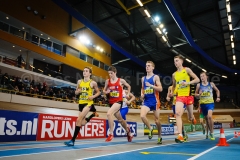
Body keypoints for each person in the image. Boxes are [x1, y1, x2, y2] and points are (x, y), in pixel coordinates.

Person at [64, 67, 100, 146]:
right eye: (83, 71)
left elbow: (98, 92)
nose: (84, 72)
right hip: (81, 103)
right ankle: (92, 115)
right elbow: (76, 93)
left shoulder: (93, 83)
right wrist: (77, 91)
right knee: (82, 123)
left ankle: (72, 140)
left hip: (88, 103)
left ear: (90, 73)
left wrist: (93, 97)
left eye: (86, 71)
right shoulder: (79, 82)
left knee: (78, 119)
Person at [171, 55, 200, 143]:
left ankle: (192, 117)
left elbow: (197, 79)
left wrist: (188, 82)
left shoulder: (186, 70)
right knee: (178, 113)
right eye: (174, 61)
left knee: (190, 117)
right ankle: (180, 135)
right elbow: (174, 85)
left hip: (189, 96)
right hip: (180, 97)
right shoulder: (174, 74)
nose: (175, 63)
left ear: (181, 61)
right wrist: (172, 92)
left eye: (177, 61)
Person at [103, 66, 133, 142]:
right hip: (111, 102)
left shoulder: (121, 81)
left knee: (109, 114)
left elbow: (129, 86)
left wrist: (128, 94)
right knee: (121, 120)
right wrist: (106, 93)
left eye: (111, 73)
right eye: (109, 73)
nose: (110, 75)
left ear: (115, 73)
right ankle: (128, 132)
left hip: (118, 102)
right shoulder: (107, 81)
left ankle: (111, 133)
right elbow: (104, 90)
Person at [140, 61, 163, 144]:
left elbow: (160, 89)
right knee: (142, 116)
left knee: (157, 121)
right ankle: (150, 128)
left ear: (153, 67)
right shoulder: (143, 78)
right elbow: (142, 89)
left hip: (155, 101)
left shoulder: (155, 77)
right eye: (146, 66)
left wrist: (151, 86)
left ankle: (159, 136)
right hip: (146, 101)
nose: (147, 67)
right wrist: (142, 94)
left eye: (149, 66)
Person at [195, 72, 220, 140]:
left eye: (203, 76)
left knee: (209, 116)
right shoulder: (198, 85)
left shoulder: (211, 84)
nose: (202, 77)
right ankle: (208, 132)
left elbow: (217, 90)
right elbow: (195, 94)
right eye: (201, 76)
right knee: (206, 119)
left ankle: (212, 133)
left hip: (210, 103)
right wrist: (198, 94)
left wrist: (218, 97)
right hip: (203, 104)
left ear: (206, 77)